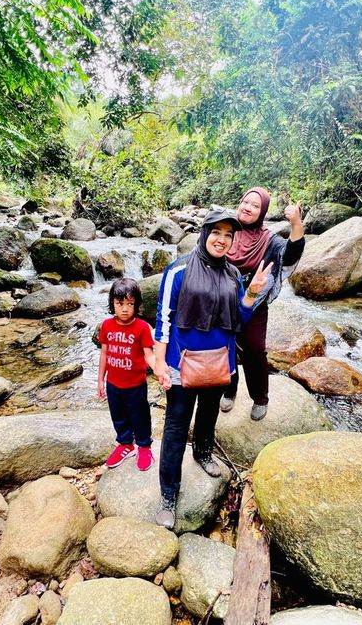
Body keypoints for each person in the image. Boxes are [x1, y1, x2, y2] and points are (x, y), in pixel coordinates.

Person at [153, 209, 273, 528]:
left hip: (219, 361)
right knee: (177, 428)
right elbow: (163, 319)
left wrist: (252, 293)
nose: (222, 239)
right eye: (216, 232)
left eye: (228, 234)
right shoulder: (178, 270)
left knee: (207, 415)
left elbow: (239, 319)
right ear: (204, 233)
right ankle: (168, 494)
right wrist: (159, 362)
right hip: (181, 363)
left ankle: (203, 453)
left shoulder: (233, 275)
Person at [221, 187, 305, 421]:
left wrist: (296, 224)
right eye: (245, 202)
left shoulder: (269, 240)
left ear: (263, 212)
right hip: (222, 301)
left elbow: (290, 254)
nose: (247, 207)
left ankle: (260, 397)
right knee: (225, 346)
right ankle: (229, 388)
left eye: (255, 206)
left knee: (254, 348)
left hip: (255, 303)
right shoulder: (226, 230)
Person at [97, 277, 156, 472]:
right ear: (112, 303)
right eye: (119, 303)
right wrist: (100, 380)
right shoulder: (106, 326)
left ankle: (144, 446)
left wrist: (160, 372)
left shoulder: (142, 328)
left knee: (139, 416)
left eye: (129, 304)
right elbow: (104, 353)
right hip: (113, 384)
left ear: (136, 305)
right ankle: (125, 444)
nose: (124, 309)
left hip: (136, 385)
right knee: (118, 416)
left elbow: (149, 355)